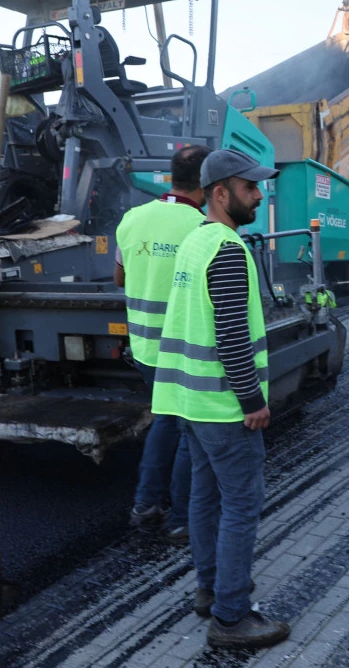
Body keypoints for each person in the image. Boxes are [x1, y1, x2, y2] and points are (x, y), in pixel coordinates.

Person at [150, 149, 289, 650]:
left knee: (206, 503)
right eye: (250, 187)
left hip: (189, 402)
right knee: (241, 505)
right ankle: (231, 617)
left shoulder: (196, 242)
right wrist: (253, 401)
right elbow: (231, 336)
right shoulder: (227, 249)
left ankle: (209, 592)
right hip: (224, 409)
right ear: (220, 192)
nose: (259, 194)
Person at [114, 145, 210, 542]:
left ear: (171, 176)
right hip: (184, 348)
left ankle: (146, 503)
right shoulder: (202, 228)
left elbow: (120, 278)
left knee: (166, 419)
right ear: (207, 183)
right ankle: (183, 516)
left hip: (145, 347)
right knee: (189, 429)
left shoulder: (132, 219)